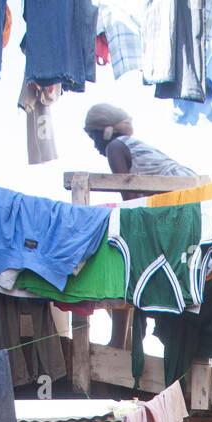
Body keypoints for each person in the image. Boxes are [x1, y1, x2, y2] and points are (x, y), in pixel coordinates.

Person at [83, 103, 197, 348]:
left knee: (122, 259)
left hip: (181, 202)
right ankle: (121, 341)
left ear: (106, 132)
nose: (94, 145)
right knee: (129, 262)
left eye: (94, 137)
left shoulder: (115, 147)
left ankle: (118, 342)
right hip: (187, 203)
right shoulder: (132, 146)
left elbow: (130, 198)